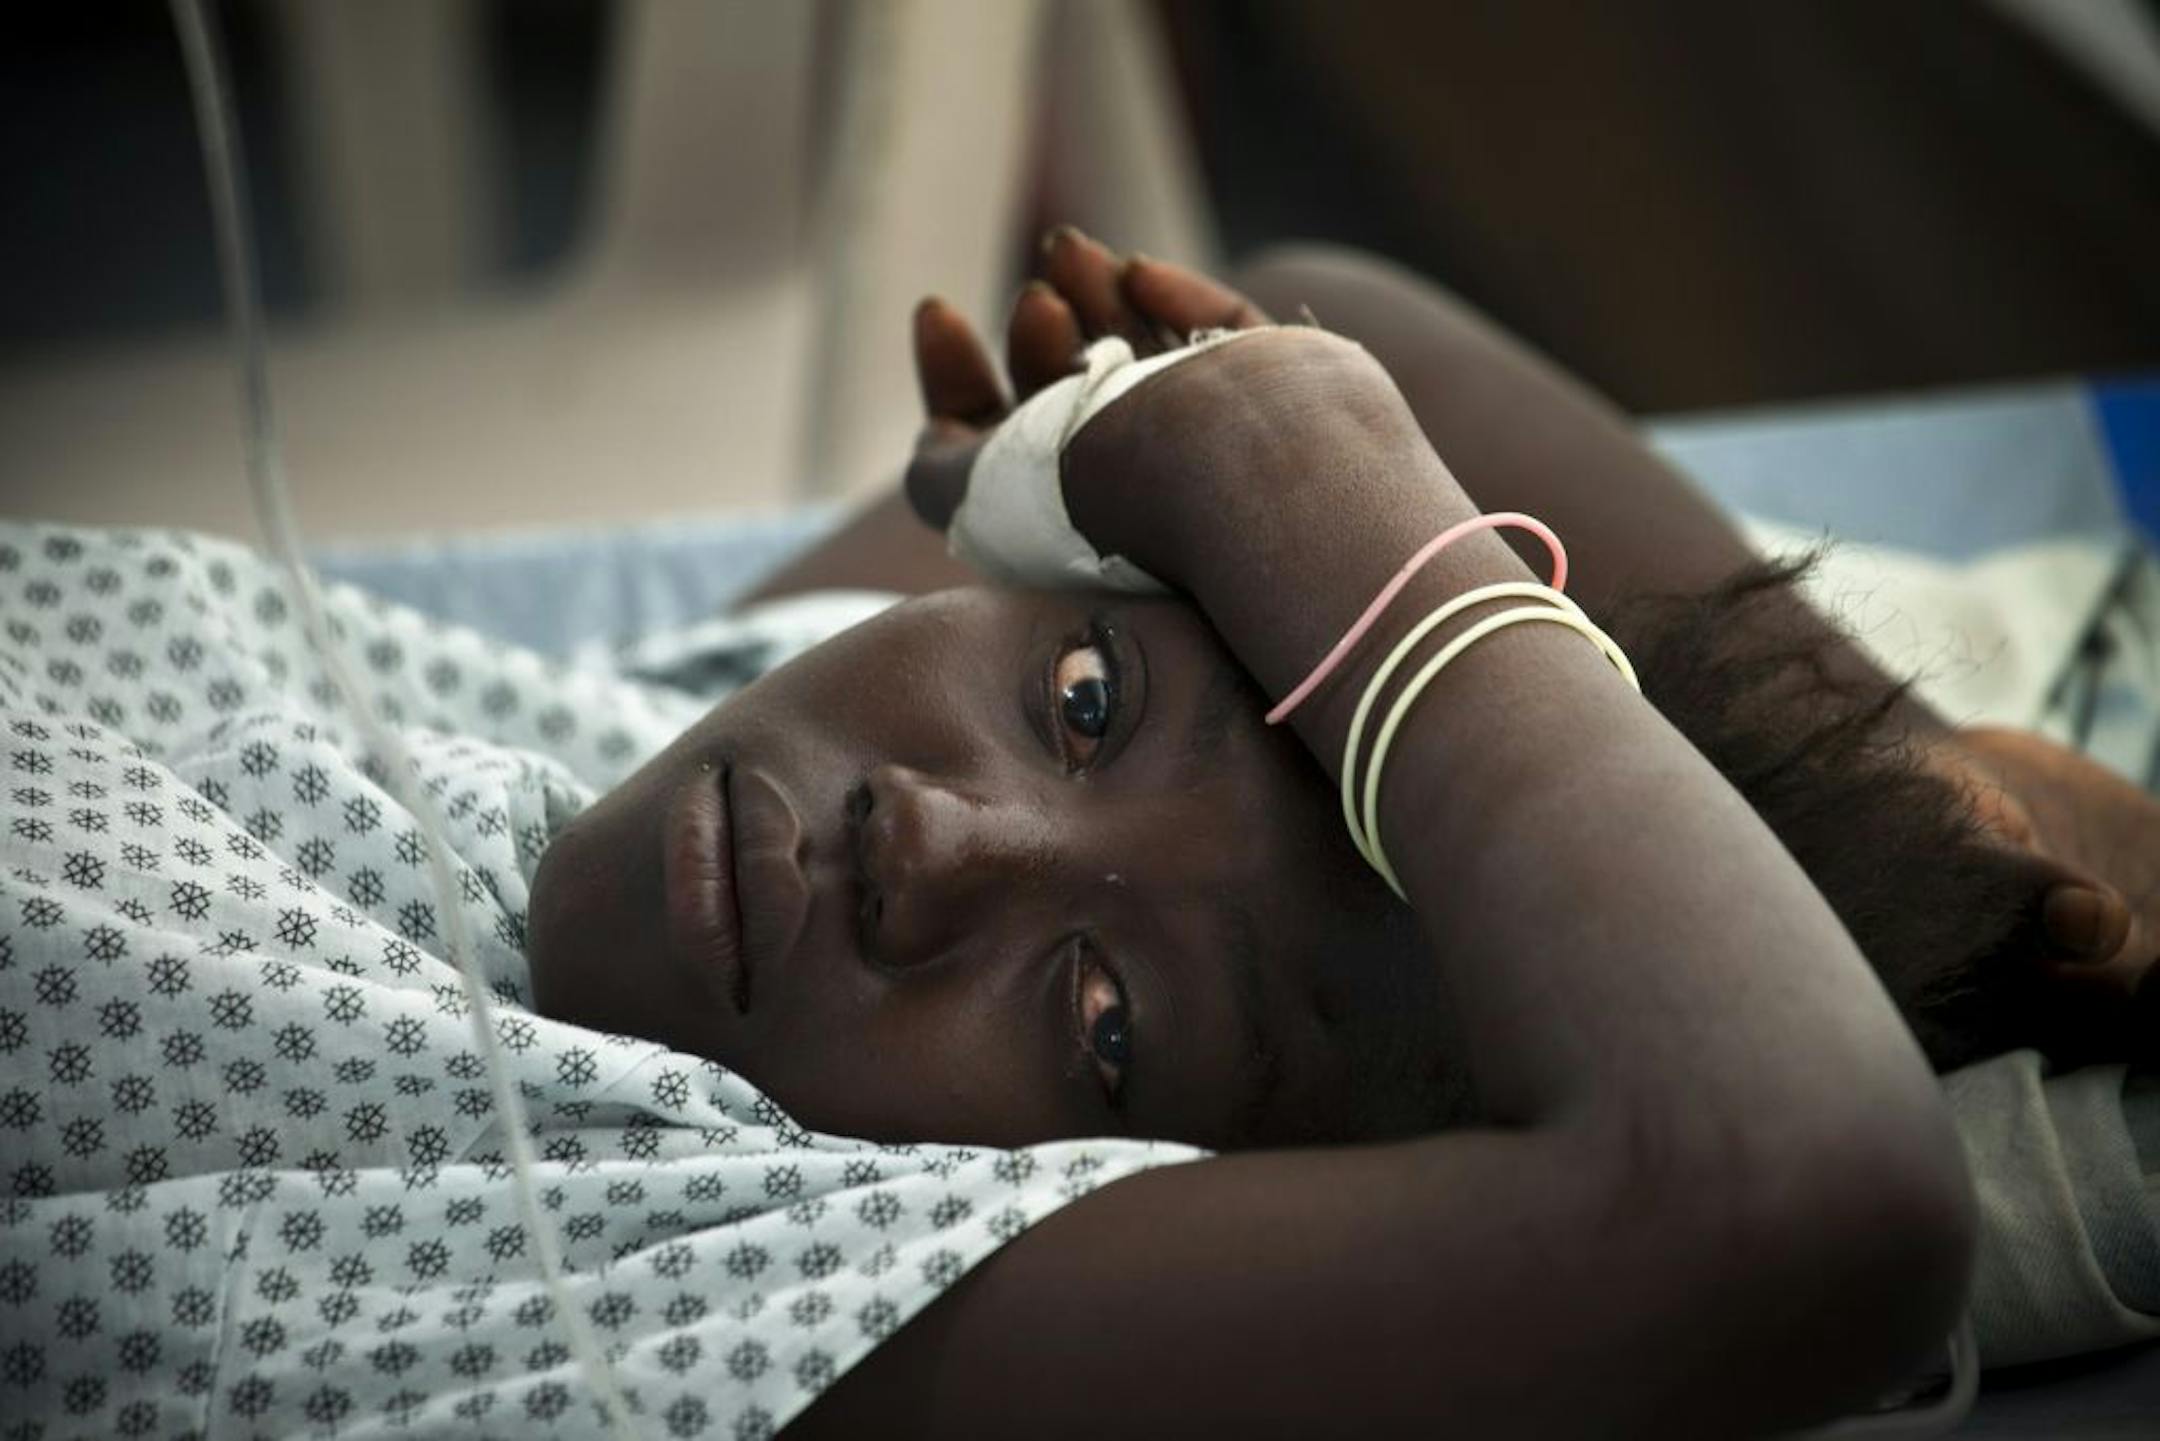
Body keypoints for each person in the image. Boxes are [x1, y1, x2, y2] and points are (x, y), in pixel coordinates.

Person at [1, 234, 2152, 1438]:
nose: (936, 847)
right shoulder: (675, 748)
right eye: (1089, 699)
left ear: (1142, 1200)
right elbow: (1342, 309)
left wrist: (1284, 454)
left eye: (1109, 1024)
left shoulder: (736, 1254)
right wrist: (1920, 763)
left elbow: (1803, 1196)